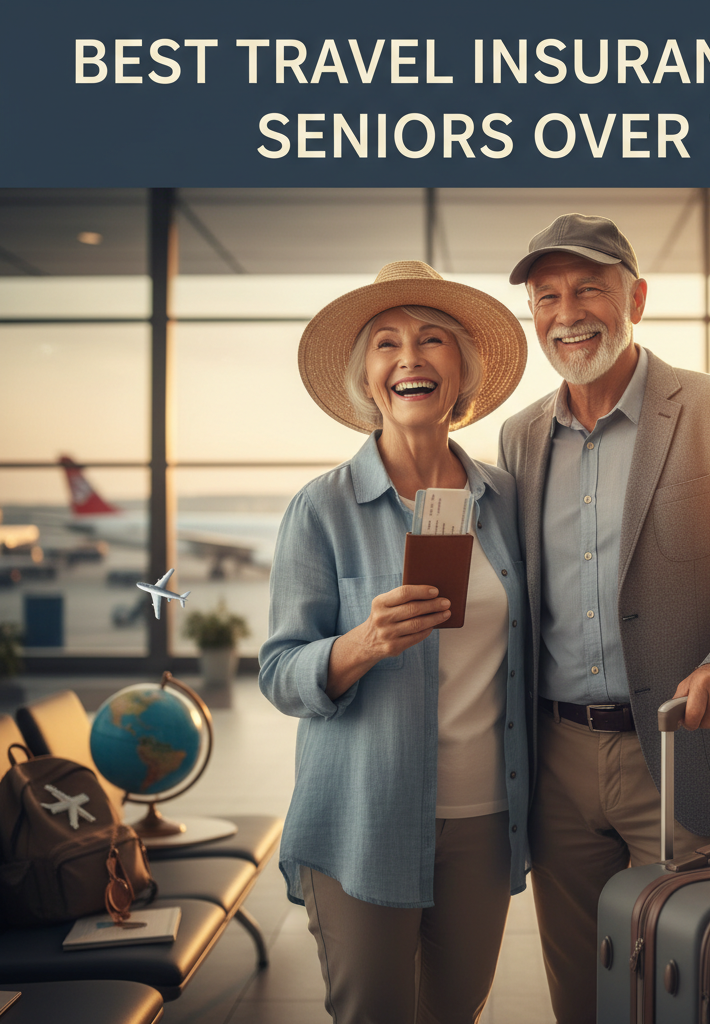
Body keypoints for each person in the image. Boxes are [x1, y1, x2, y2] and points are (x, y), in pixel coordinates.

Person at [497, 214, 710, 1023]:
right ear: (533, 317)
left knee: (689, 988)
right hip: (556, 760)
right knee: (581, 986)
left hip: (684, 751)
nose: (567, 312)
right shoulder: (518, 437)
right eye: (547, 297)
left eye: (589, 289)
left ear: (635, 297)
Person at [259, 261, 530, 1024]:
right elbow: (280, 672)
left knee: (456, 1013)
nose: (409, 355)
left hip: (485, 820)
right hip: (361, 817)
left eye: (432, 339)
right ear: (368, 379)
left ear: (461, 373)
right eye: (386, 343)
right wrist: (363, 642)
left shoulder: (505, 500)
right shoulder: (321, 508)